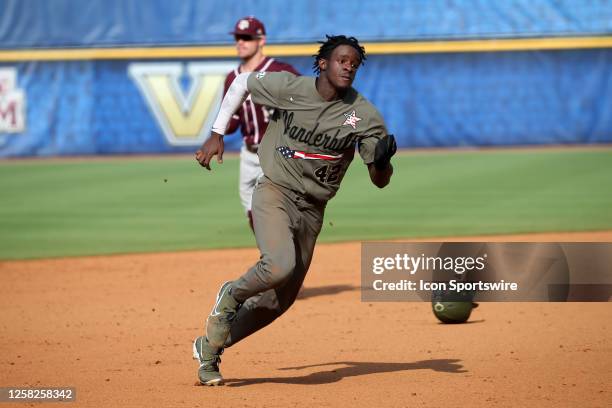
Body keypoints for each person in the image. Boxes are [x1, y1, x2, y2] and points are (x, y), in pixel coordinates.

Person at [193, 35, 397, 386]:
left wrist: (381, 163)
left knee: (278, 301)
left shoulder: (363, 115)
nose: (348, 66)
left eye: (354, 63)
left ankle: (209, 349)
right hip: (275, 190)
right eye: (341, 60)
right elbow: (242, 81)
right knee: (279, 264)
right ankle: (233, 294)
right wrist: (217, 132)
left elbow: (380, 181)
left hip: (313, 209)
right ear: (323, 63)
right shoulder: (290, 88)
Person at [224, 16, 300, 231]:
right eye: (238, 37)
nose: (240, 42)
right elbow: (233, 122)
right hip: (248, 155)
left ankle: (282, 256)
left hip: (277, 154)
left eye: (246, 37)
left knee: (278, 211)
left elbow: (306, 101)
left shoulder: (280, 71)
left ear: (261, 40)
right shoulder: (232, 78)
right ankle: (273, 257)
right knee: (252, 212)